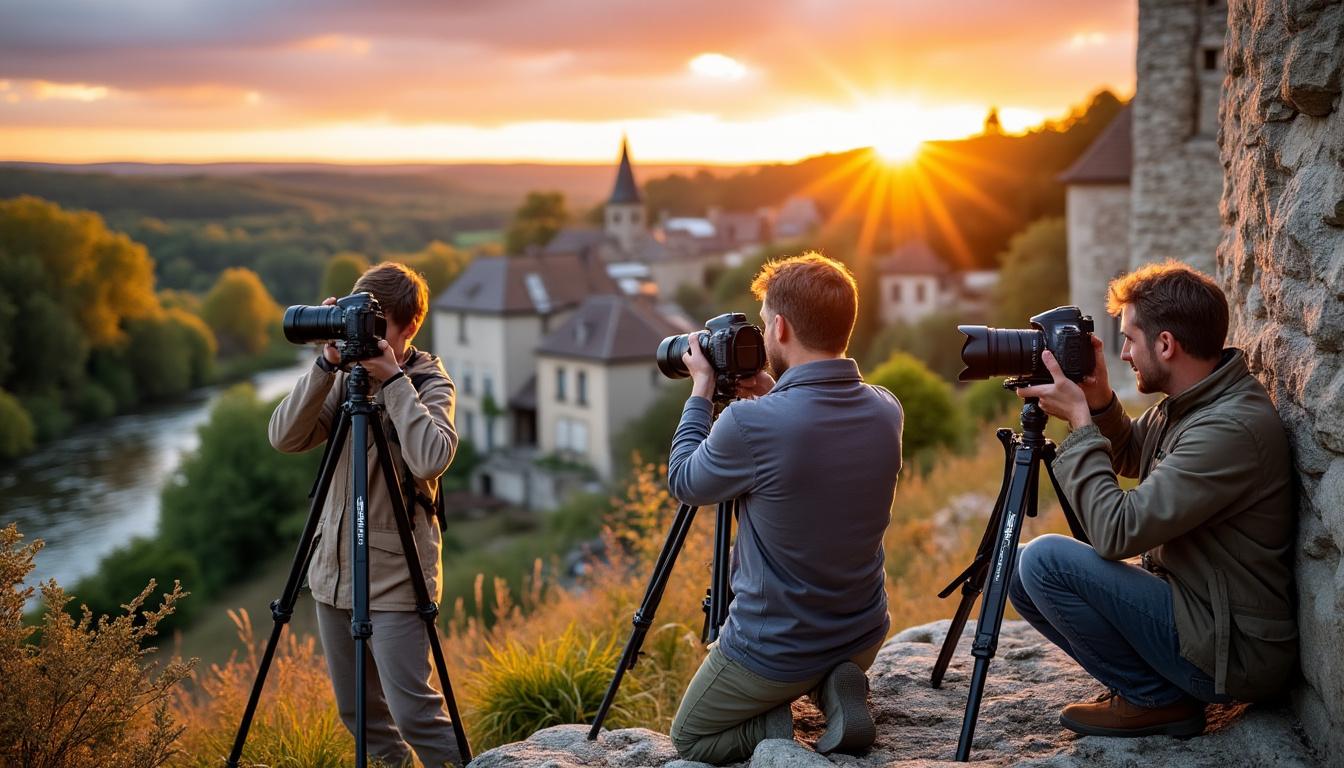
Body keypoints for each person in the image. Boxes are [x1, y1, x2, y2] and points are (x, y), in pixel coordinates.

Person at [1010, 260, 1296, 738]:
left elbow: (1116, 533)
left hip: (1234, 651)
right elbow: (1131, 453)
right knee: (1019, 571)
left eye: (1129, 339)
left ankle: (1159, 700)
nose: (1122, 353)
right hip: (1198, 613)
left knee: (1043, 560)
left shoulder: (1228, 428)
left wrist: (1081, 424)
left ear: (1166, 344)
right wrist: (1098, 400)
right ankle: (1152, 689)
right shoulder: (1195, 401)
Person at [665, 252, 904, 764]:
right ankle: (835, 688)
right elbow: (813, 441)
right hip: (862, 633)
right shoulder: (887, 409)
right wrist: (774, 394)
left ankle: (771, 720)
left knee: (691, 737)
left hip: (778, 653)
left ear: (780, 327)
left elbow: (685, 481)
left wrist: (701, 391)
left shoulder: (750, 425)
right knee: (832, 659)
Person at [269, 262, 461, 767]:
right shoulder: (342, 376)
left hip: (396, 578)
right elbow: (285, 437)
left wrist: (392, 379)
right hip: (332, 574)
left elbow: (431, 457)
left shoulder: (427, 380)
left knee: (415, 714)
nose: (365, 334)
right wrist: (325, 365)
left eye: (378, 324)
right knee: (359, 715)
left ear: (407, 328)